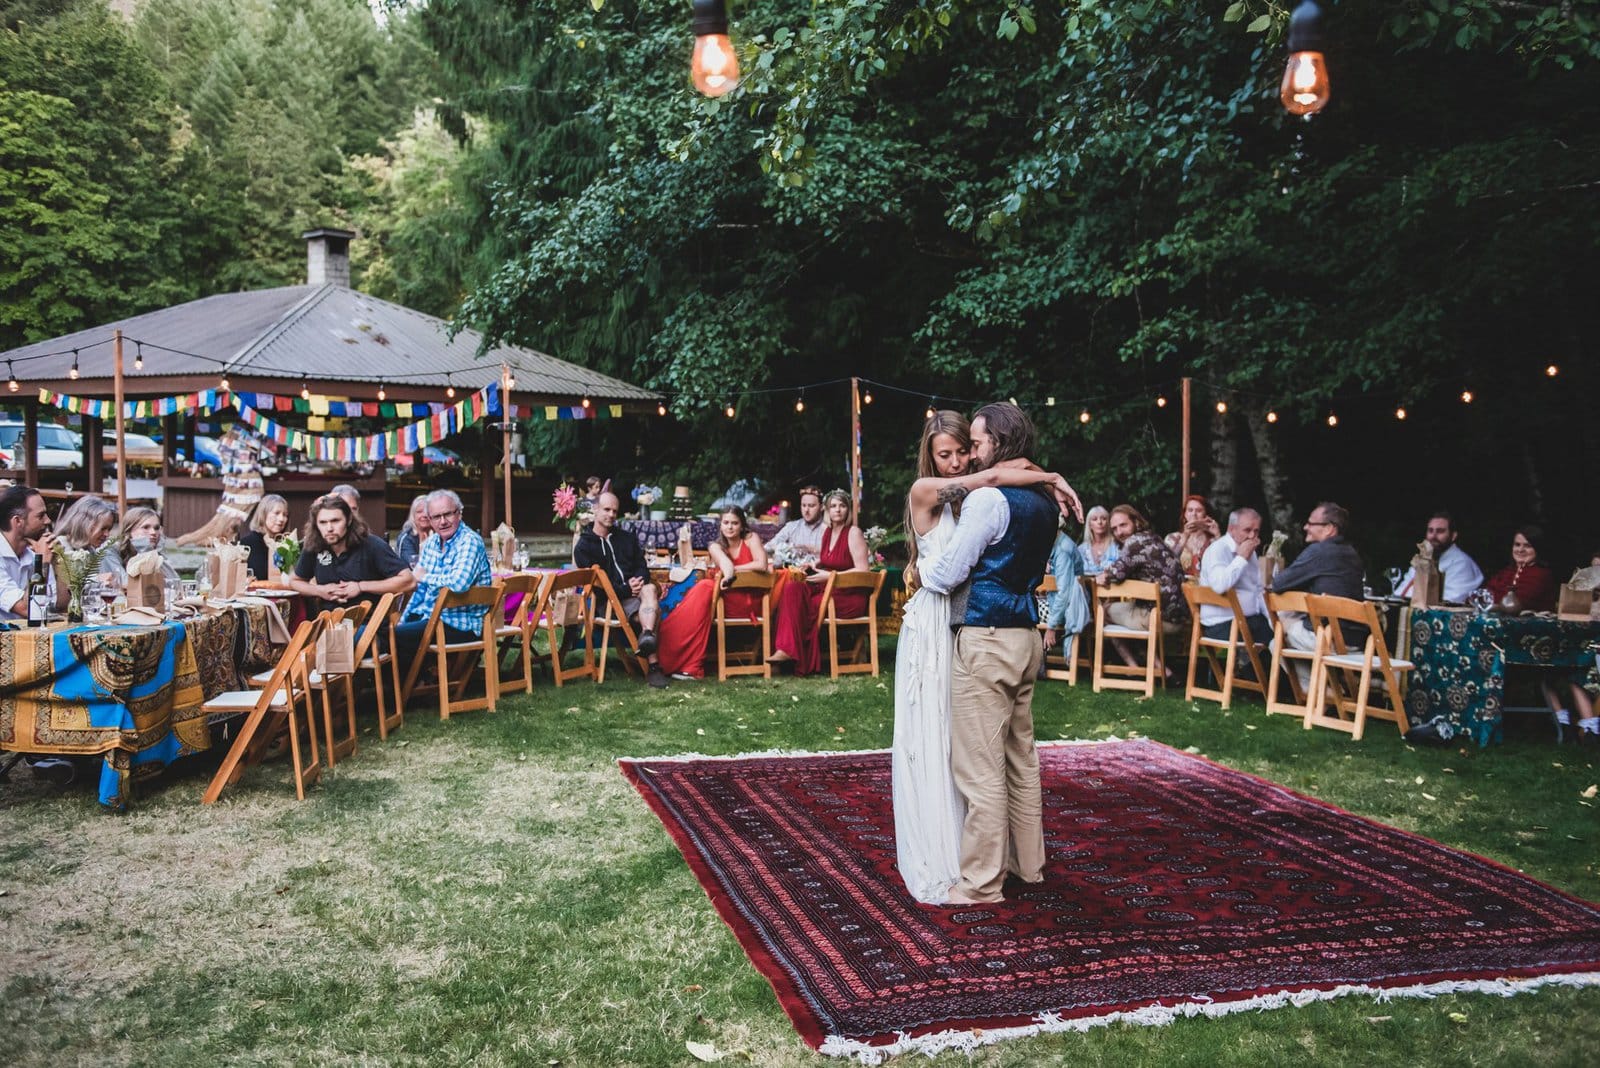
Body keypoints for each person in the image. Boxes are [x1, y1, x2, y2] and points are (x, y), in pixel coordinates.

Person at [892, 410, 1080, 904]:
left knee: (979, 767)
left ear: (995, 441)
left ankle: (979, 884)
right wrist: (1051, 476)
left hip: (985, 634)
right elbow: (998, 479)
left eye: (972, 445)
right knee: (1020, 757)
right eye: (950, 453)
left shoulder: (987, 501)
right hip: (1023, 634)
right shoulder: (1043, 501)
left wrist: (928, 570)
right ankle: (1029, 865)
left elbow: (944, 575)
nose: (966, 458)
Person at [655, 505, 771, 681]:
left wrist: (733, 571)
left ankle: (689, 664)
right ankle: (684, 661)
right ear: (720, 525)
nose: (730, 527)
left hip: (750, 602)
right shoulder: (715, 546)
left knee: (705, 588)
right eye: (726, 522)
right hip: (724, 597)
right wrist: (728, 572)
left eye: (735, 523)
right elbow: (725, 565)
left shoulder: (751, 538)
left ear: (742, 525)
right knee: (704, 592)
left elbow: (761, 564)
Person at [770, 489, 870, 674]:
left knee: (808, 604)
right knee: (793, 588)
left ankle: (795, 656)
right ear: (827, 510)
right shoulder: (828, 533)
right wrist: (812, 565)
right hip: (829, 588)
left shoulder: (853, 532)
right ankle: (784, 649)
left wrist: (831, 576)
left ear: (848, 510)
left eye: (842, 506)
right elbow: (826, 560)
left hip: (848, 595)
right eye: (833, 506)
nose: (837, 510)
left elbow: (863, 571)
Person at [574, 491, 667, 688]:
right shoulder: (584, 546)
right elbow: (597, 587)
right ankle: (653, 665)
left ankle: (647, 635)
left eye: (615, 511)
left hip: (635, 594)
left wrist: (638, 581)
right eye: (606, 509)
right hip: (609, 601)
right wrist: (626, 589)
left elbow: (641, 566)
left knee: (649, 588)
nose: (611, 514)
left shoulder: (627, 538)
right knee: (655, 610)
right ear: (595, 509)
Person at [394, 490, 493, 673]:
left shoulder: (469, 541)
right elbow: (419, 590)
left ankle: (403, 693)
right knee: (390, 631)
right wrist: (404, 618)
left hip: (461, 624)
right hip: (432, 618)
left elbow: (458, 583)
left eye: (448, 514)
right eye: (436, 517)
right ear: (429, 520)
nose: (443, 521)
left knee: (393, 638)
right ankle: (413, 686)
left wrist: (424, 576)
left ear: (459, 513)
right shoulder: (432, 543)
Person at [1270, 501, 1365, 685]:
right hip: (1356, 642)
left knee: (1278, 621)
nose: (1306, 527)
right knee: (1276, 643)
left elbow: (1278, 584)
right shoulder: (1352, 552)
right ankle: (1327, 690)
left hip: (1329, 639)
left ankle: (1318, 691)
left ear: (1329, 528)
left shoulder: (1319, 551)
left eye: (1311, 523)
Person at [1095, 504, 1190, 667]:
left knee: (1102, 612)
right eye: (1115, 529)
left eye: (1123, 525)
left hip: (1160, 618)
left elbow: (1116, 573)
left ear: (1136, 521)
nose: (1119, 532)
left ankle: (1133, 667)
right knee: (1125, 612)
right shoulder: (1152, 537)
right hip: (1178, 617)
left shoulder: (1134, 542)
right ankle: (1162, 670)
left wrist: (1101, 577)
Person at [287, 494, 415, 609]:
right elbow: (295, 581)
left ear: (348, 520)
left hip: (368, 626)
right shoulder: (315, 545)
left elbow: (409, 581)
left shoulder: (372, 545)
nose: (329, 528)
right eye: (323, 522)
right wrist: (319, 590)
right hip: (330, 623)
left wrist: (361, 586)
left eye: (335, 521)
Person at [1198, 507, 1274, 647]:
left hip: (1249, 621)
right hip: (1221, 624)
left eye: (1256, 531)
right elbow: (1220, 586)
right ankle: (1245, 669)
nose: (1252, 536)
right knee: (1276, 645)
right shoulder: (1218, 549)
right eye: (1247, 530)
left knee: (1282, 636)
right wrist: (1241, 558)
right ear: (1232, 529)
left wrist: (1273, 619)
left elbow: (1258, 590)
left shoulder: (1250, 551)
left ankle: (1247, 669)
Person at [0, 484, 65, 619]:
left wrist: (59, 562)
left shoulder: (34, 554)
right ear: (18, 521)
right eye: (40, 516)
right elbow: (29, 609)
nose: (47, 520)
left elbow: (60, 606)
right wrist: (42, 564)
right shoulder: (40, 558)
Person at [1394, 511, 1484, 603]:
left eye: (1440, 531)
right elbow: (1400, 594)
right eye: (1430, 530)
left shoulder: (1462, 563)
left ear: (1453, 536)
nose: (1433, 536)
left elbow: (1449, 602)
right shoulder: (1423, 559)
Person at [1041, 516, 1090, 667]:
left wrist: (1051, 627)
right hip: (1055, 601)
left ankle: (1033, 661)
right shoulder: (1053, 544)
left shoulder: (1063, 550)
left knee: (1021, 609)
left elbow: (1064, 594)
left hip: (1069, 607)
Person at [1482, 524, 1558, 614]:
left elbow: (1518, 603)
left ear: (1538, 548)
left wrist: (1491, 601)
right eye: (1517, 545)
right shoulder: (1506, 572)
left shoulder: (1542, 574)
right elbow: (1485, 595)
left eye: (1527, 546)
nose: (1520, 550)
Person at [101, 507, 181, 588]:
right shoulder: (110, 551)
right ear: (129, 531)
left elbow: (176, 585)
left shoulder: (154, 553)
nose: (153, 532)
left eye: (156, 528)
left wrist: (152, 554)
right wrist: (145, 551)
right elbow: (126, 585)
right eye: (146, 527)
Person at [764, 485, 826, 565]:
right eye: (804, 505)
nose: (806, 510)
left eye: (811, 506)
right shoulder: (792, 527)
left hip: (820, 574)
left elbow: (834, 555)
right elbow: (768, 546)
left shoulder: (829, 528)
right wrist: (788, 548)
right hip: (793, 574)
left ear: (821, 507)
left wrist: (809, 548)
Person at [1165, 494, 1221, 579]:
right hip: (1179, 587)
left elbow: (1223, 564)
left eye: (1199, 511)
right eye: (1190, 510)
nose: (1194, 514)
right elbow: (1166, 564)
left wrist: (1217, 535)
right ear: (1185, 514)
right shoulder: (1172, 538)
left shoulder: (1212, 541)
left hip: (1205, 588)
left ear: (1206, 515)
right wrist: (1185, 536)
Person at [239, 494, 291, 581]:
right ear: (263, 514)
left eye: (285, 515)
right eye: (277, 513)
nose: (282, 519)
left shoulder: (287, 544)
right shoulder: (246, 544)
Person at [1078, 505, 1120, 575]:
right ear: (1090, 525)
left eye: (1103, 519)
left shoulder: (1117, 545)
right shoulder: (1081, 550)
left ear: (1108, 523)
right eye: (1095, 519)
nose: (1099, 522)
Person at [395, 494, 432, 567]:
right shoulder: (406, 538)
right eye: (419, 512)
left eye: (428, 511)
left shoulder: (441, 535)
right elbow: (415, 566)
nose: (424, 515)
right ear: (413, 515)